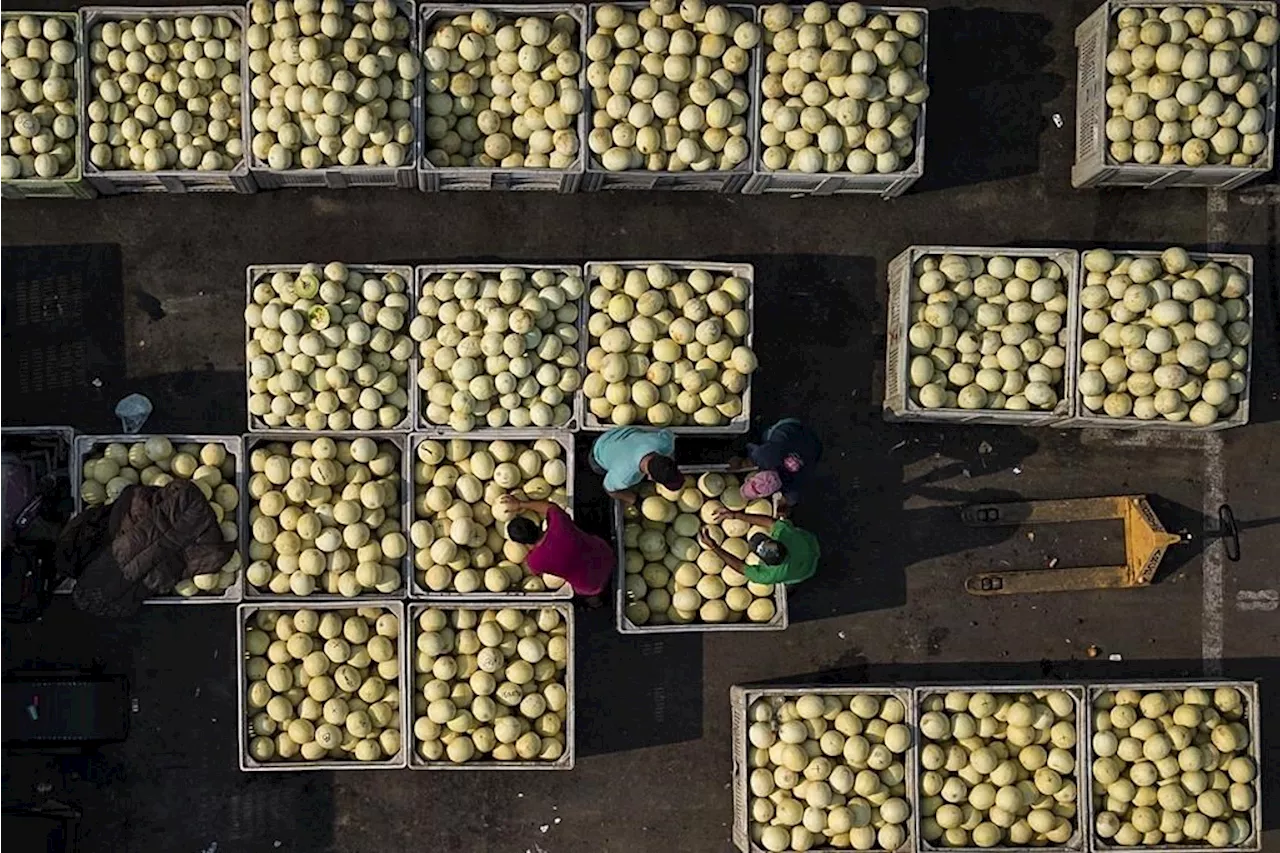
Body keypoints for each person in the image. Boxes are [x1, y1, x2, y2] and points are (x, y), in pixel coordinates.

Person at [498, 495, 613, 606]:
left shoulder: (535, 561)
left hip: (592, 584)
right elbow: (549, 507)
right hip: (605, 553)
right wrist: (520, 504)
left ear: (521, 544)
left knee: (588, 593)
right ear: (534, 523)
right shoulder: (559, 523)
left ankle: (596, 603)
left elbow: (531, 567)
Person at [697, 506, 819, 586]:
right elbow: (770, 522)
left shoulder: (769, 576)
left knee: (792, 579)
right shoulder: (789, 536)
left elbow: (740, 567)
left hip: (804, 570)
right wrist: (735, 515)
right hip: (811, 547)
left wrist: (714, 547)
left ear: (767, 564)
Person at [738, 418, 822, 514]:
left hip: (811, 445)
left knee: (767, 436)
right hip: (801, 438)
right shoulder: (763, 457)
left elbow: (788, 502)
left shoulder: (794, 485)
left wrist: (782, 509)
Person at [589, 426, 683, 504]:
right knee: (599, 469)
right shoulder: (625, 477)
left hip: (616, 434)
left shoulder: (664, 443)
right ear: (650, 478)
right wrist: (634, 500)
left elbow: (668, 432)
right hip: (598, 451)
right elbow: (609, 489)